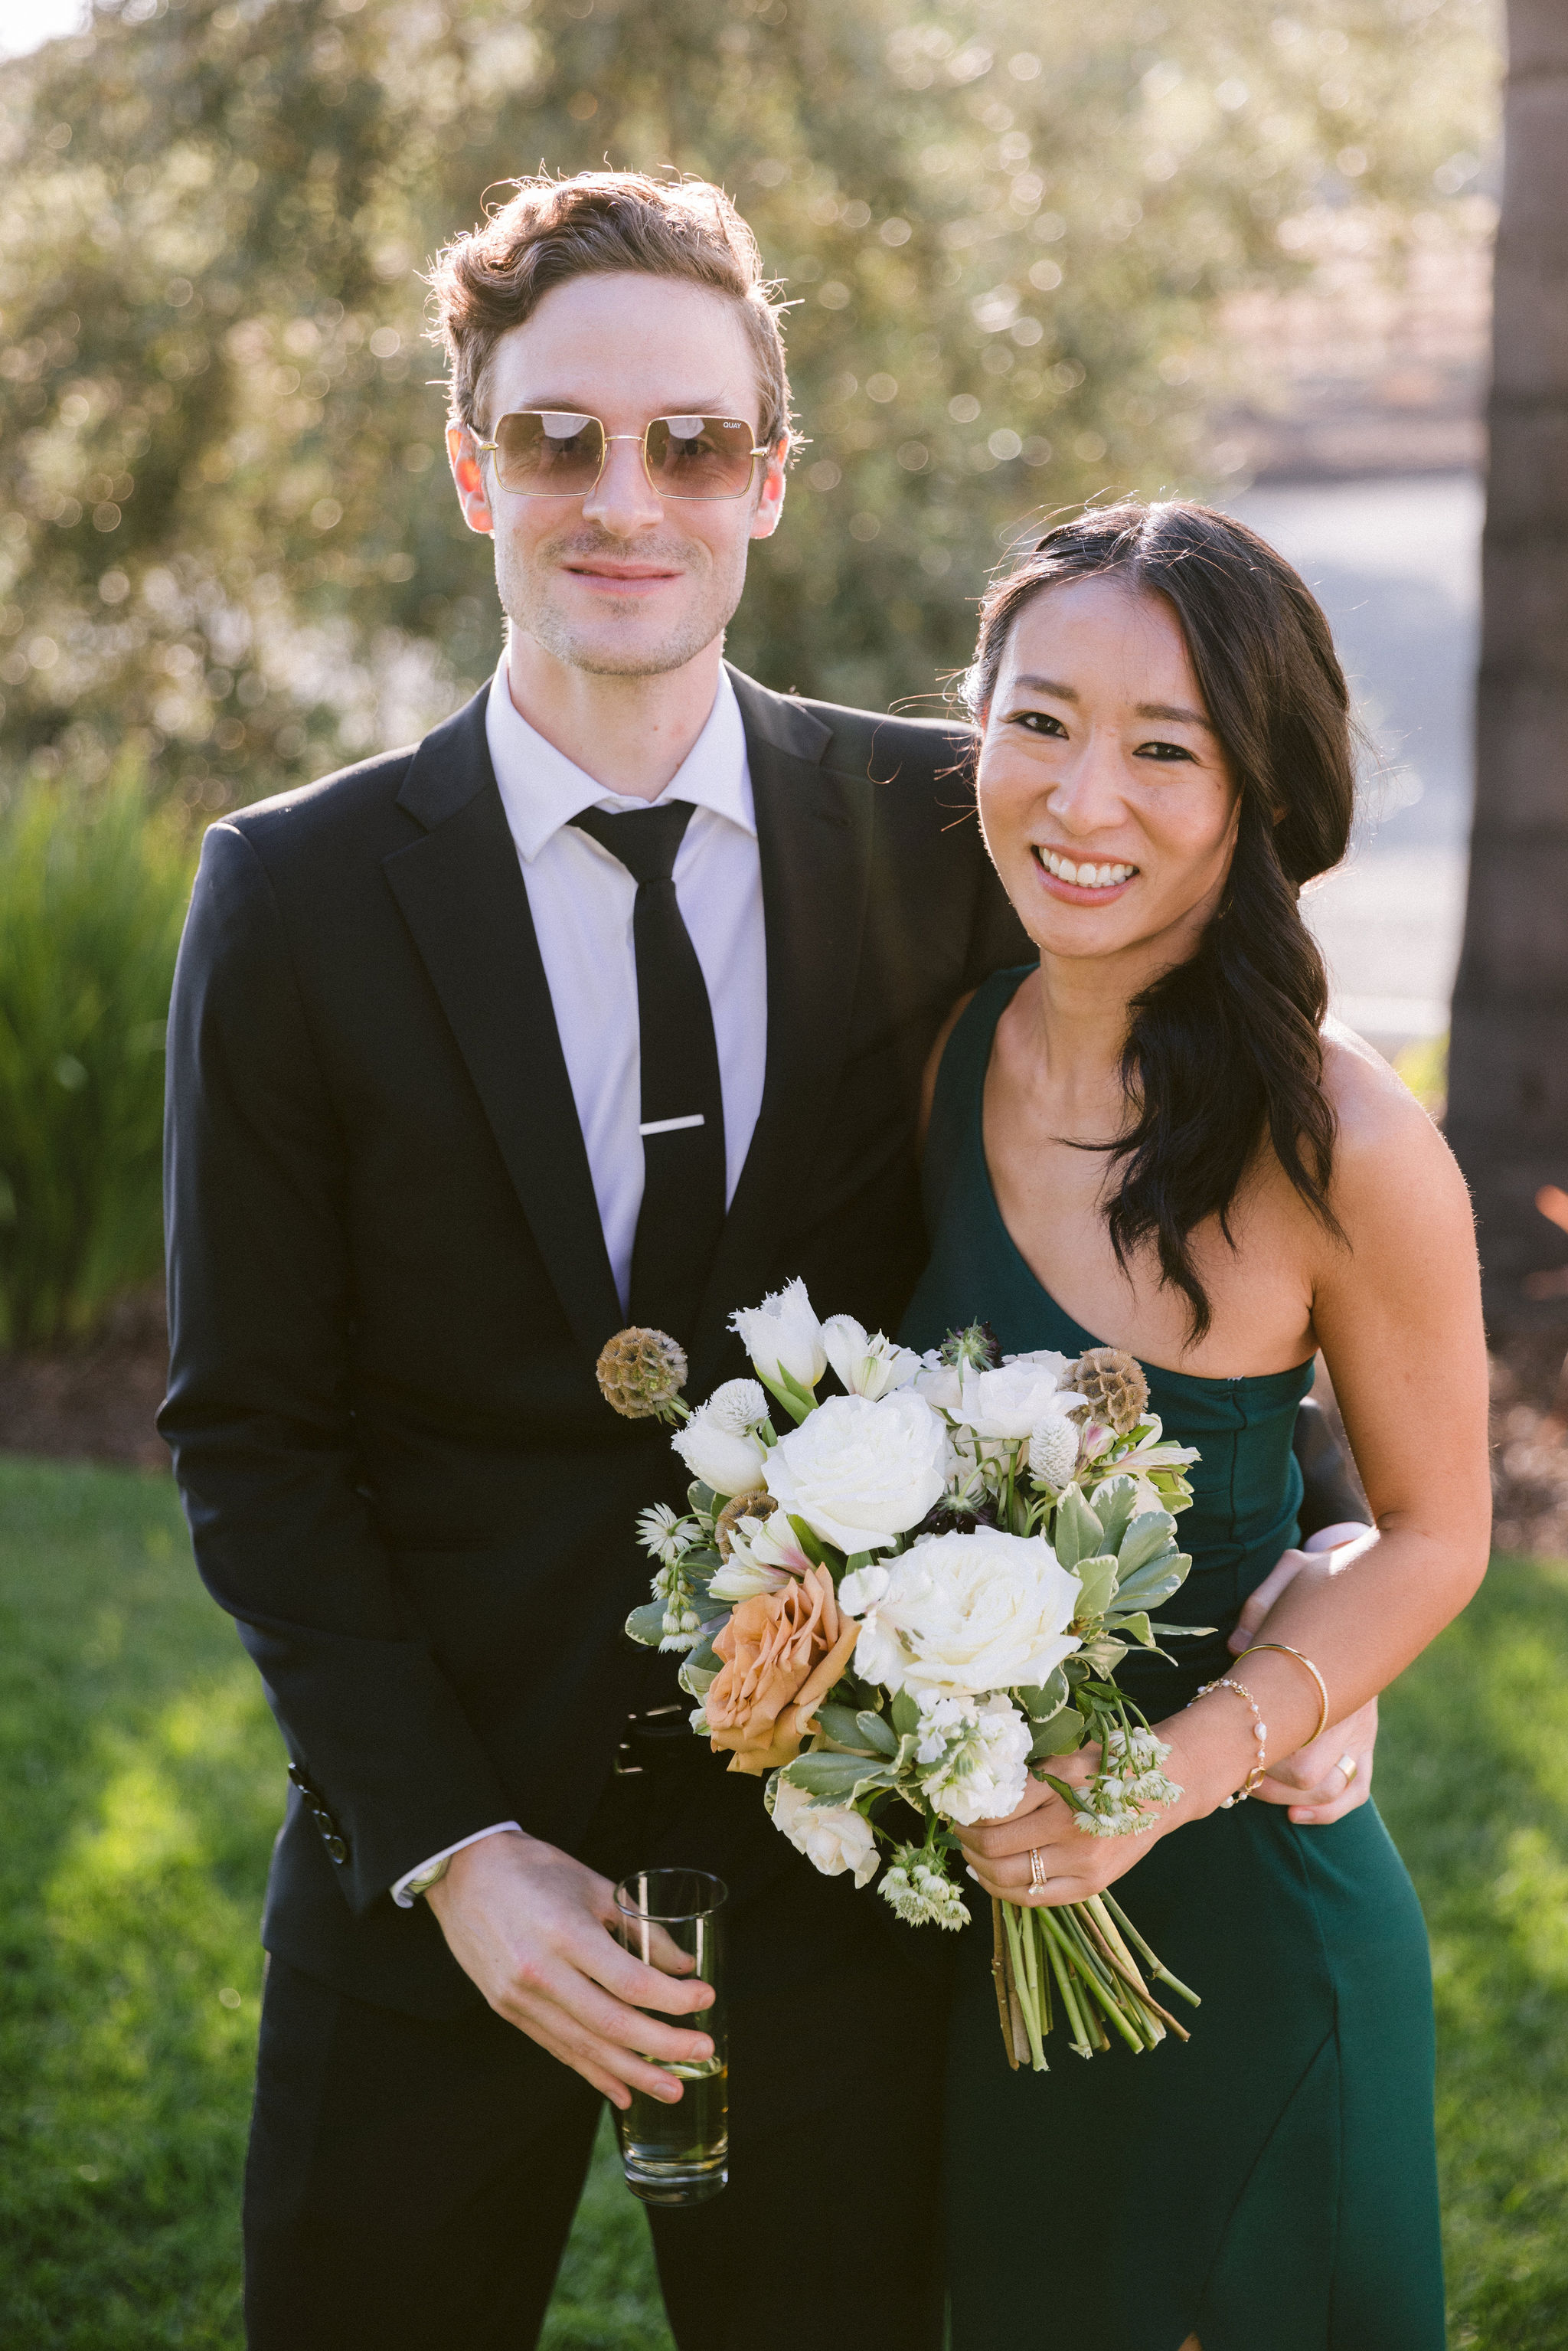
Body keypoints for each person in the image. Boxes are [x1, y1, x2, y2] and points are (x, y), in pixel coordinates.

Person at [158, 173, 1368, 2351]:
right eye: (559, 439)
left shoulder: (953, 826)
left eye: (691, 442)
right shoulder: (295, 894)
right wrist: (455, 1851)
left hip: (851, 1887)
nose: (626, 498)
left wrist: (1327, 1551)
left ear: (768, 479)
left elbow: (1196, 1154)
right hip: (431, 1878)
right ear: (474, 469)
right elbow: (250, 1431)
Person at [903, 500, 1491, 2349]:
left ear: (1262, 790)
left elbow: (1434, 1529)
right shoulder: (945, 1052)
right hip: (1001, 1951)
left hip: (1254, 1934)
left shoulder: (1346, 1139)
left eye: (1165, 748)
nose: (1084, 799)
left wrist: (1165, 1775)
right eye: (1040, 721)